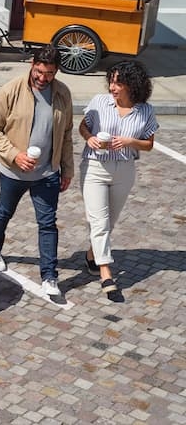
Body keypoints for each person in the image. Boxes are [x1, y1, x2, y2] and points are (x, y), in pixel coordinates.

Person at [0, 46, 74, 296]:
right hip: (13, 172)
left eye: (50, 73)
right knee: (4, 211)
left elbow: (66, 134)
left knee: (48, 223)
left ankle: (49, 276)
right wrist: (15, 155)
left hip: (47, 174)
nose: (43, 78)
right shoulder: (12, 89)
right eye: (40, 71)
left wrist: (67, 169)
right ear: (33, 64)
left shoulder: (63, 94)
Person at [78, 61, 158, 297]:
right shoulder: (99, 102)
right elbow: (84, 126)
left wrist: (129, 141)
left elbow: (149, 144)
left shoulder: (145, 110)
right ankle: (106, 274)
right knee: (100, 221)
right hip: (95, 166)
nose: (112, 87)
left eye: (118, 82)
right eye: (111, 81)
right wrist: (89, 138)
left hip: (124, 169)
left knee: (108, 223)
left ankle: (92, 256)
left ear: (132, 85)